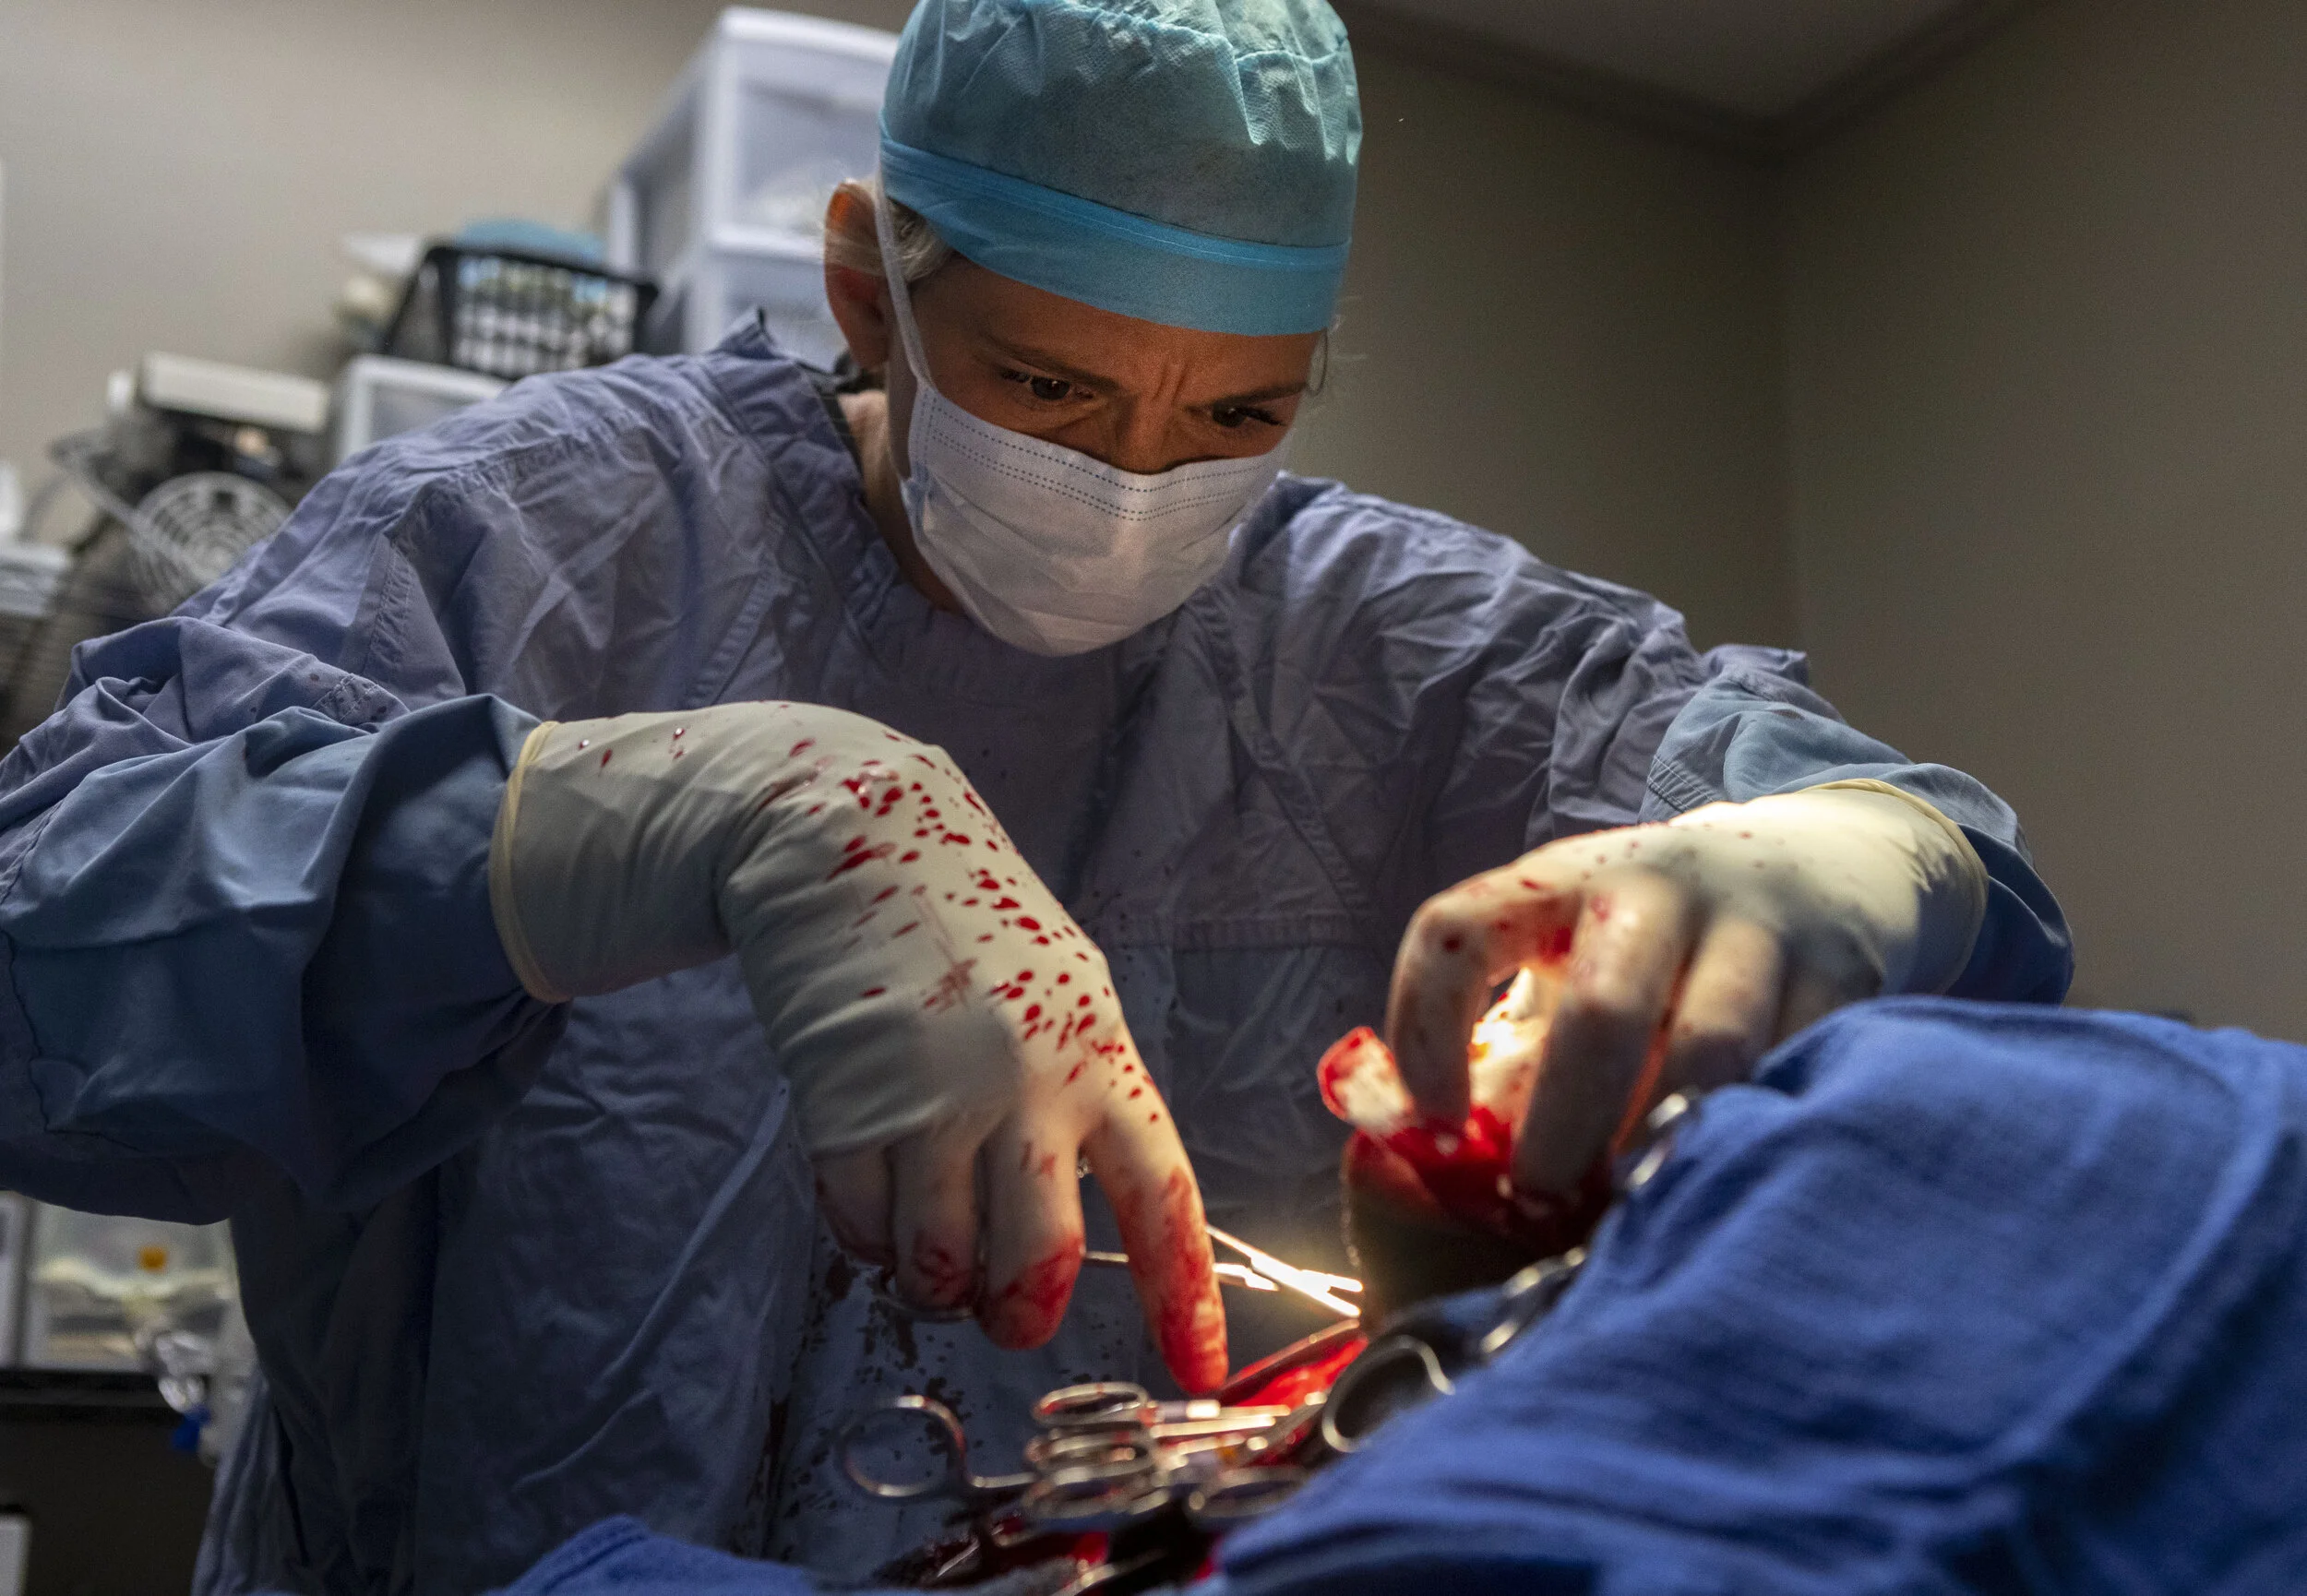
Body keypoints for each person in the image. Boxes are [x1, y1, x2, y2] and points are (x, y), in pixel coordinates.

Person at [0, 0, 2068, 1590]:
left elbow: (1915, 856)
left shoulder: (1393, 648)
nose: (1136, 480)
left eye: (1237, 410)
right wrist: (663, 816)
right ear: (861, 287)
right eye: (1047, 387)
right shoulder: (537, 537)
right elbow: (44, 959)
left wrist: (1824, 854)